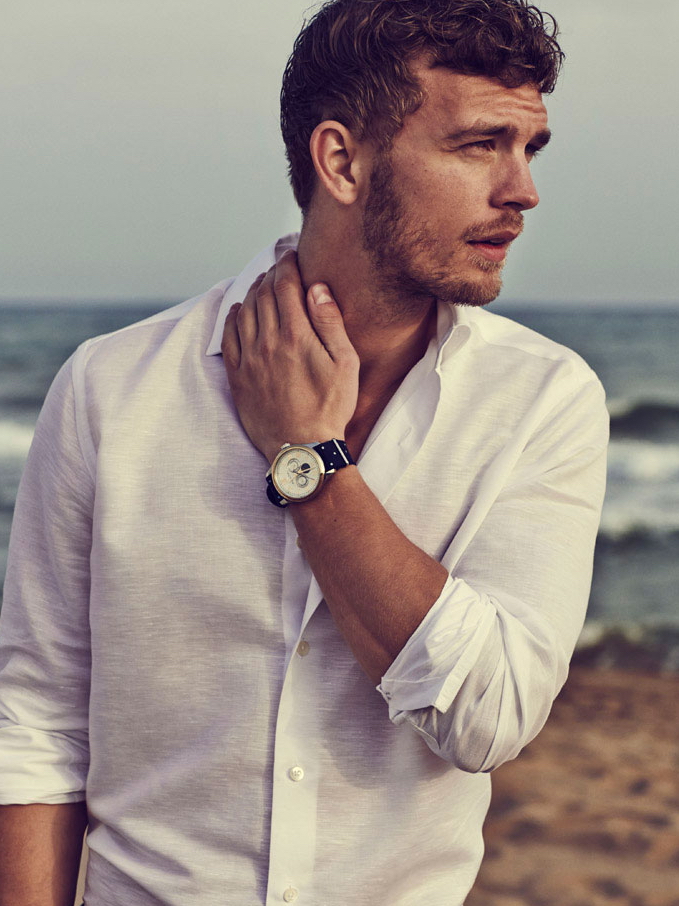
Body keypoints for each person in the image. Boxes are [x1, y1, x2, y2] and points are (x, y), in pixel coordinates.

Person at [0, 1, 608, 904]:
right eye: (479, 145)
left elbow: (489, 720)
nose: (520, 191)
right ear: (341, 160)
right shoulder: (113, 386)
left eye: (530, 149)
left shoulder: (544, 401)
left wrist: (309, 458)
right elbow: (39, 723)